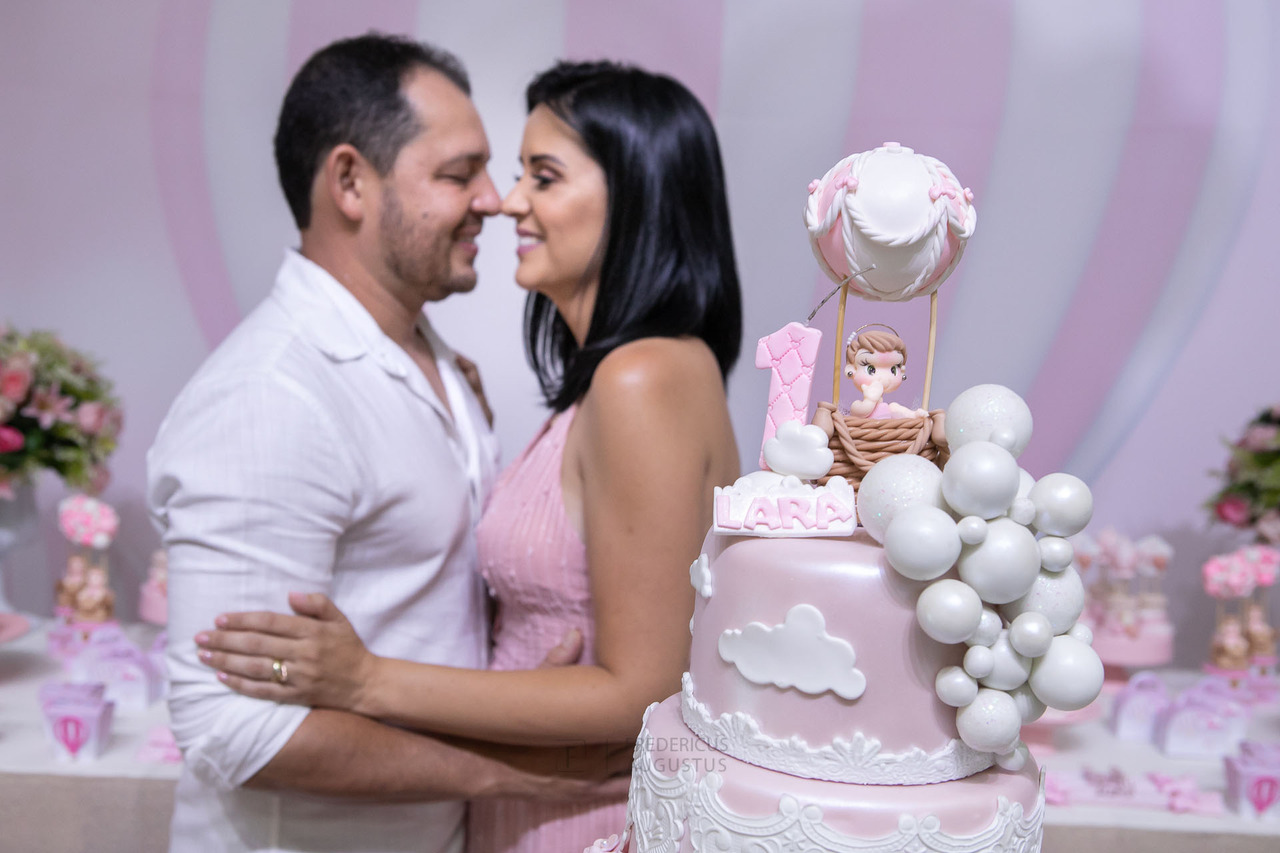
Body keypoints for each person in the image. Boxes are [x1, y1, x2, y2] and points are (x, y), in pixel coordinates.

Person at [194, 60, 743, 851]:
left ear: (637, 195)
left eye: (542, 176)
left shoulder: (642, 376)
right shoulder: (616, 382)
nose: (508, 200)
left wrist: (365, 679)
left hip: (577, 809)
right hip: (531, 798)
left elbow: (646, 687)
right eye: (512, 172)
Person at [149, 35, 619, 853]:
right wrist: (501, 769)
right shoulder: (273, 394)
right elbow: (232, 728)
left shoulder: (432, 362)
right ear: (350, 182)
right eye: (456, 173)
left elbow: (422, 603)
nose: (494, 199)